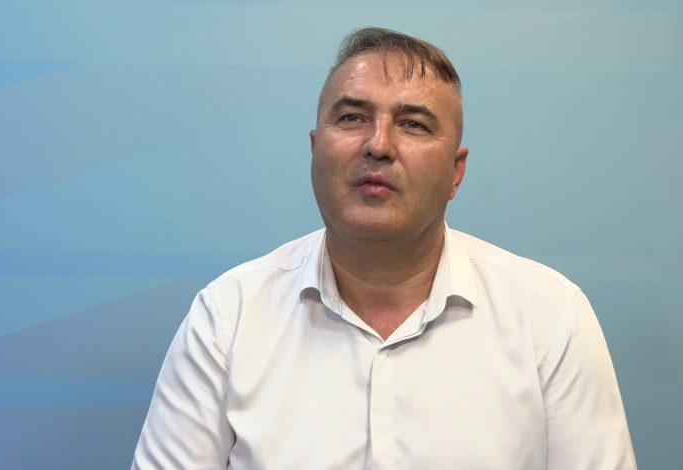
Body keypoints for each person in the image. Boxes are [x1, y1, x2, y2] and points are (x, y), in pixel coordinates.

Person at [132, 27, 636, 469]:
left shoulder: (548, 316)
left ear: (456, 172)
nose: (378, 145)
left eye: (413, 123)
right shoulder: (229, 317)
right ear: (315, 150)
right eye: (353, 117)